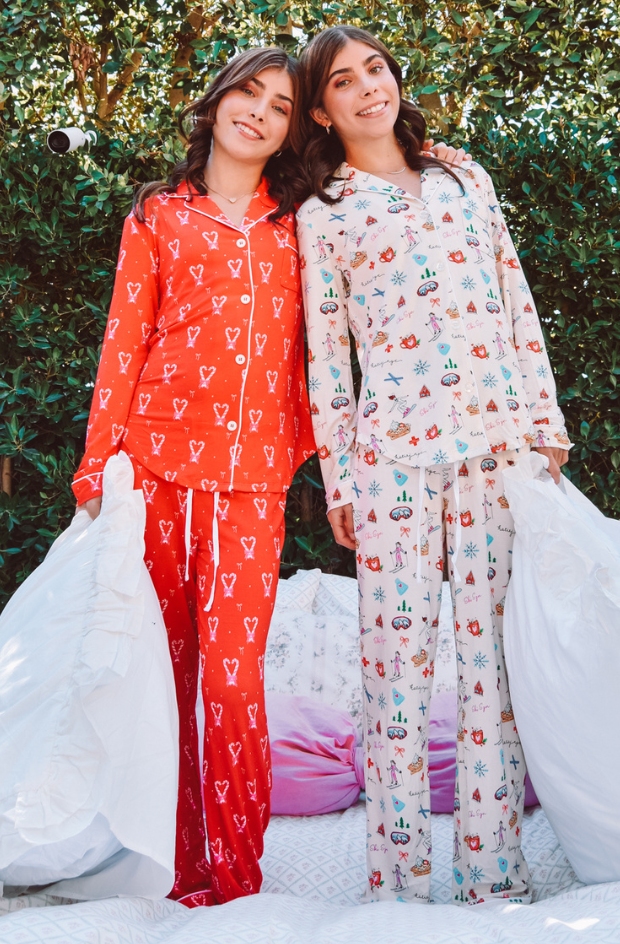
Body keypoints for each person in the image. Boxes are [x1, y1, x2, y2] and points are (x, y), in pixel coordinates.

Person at [72, 44, 467, 906]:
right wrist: (99, 472)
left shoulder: (303, 226)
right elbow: (122, 344)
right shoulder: (157, 216)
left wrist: (308, 459)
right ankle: (179, 877)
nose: (258, 111)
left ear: (294, 128)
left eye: (280, 105)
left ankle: (238, 884)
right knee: (167, 679)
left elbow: (321, 360)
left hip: (253, 485)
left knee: (230, 682)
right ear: (216, 101)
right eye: (247, 93)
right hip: (155, 475)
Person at [297, 25, 570, 906]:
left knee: (491, 662)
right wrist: (340, 476)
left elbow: (512, 292)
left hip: (495, 446)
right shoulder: (323, 213)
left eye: (375, 68)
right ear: (321, 109)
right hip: (391, 463)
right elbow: (327, 362)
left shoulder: (464, 177)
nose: (369, 87)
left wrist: (545, 422)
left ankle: (495, 880)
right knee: (396, 668)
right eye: (345, 81)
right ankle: (399, 889)